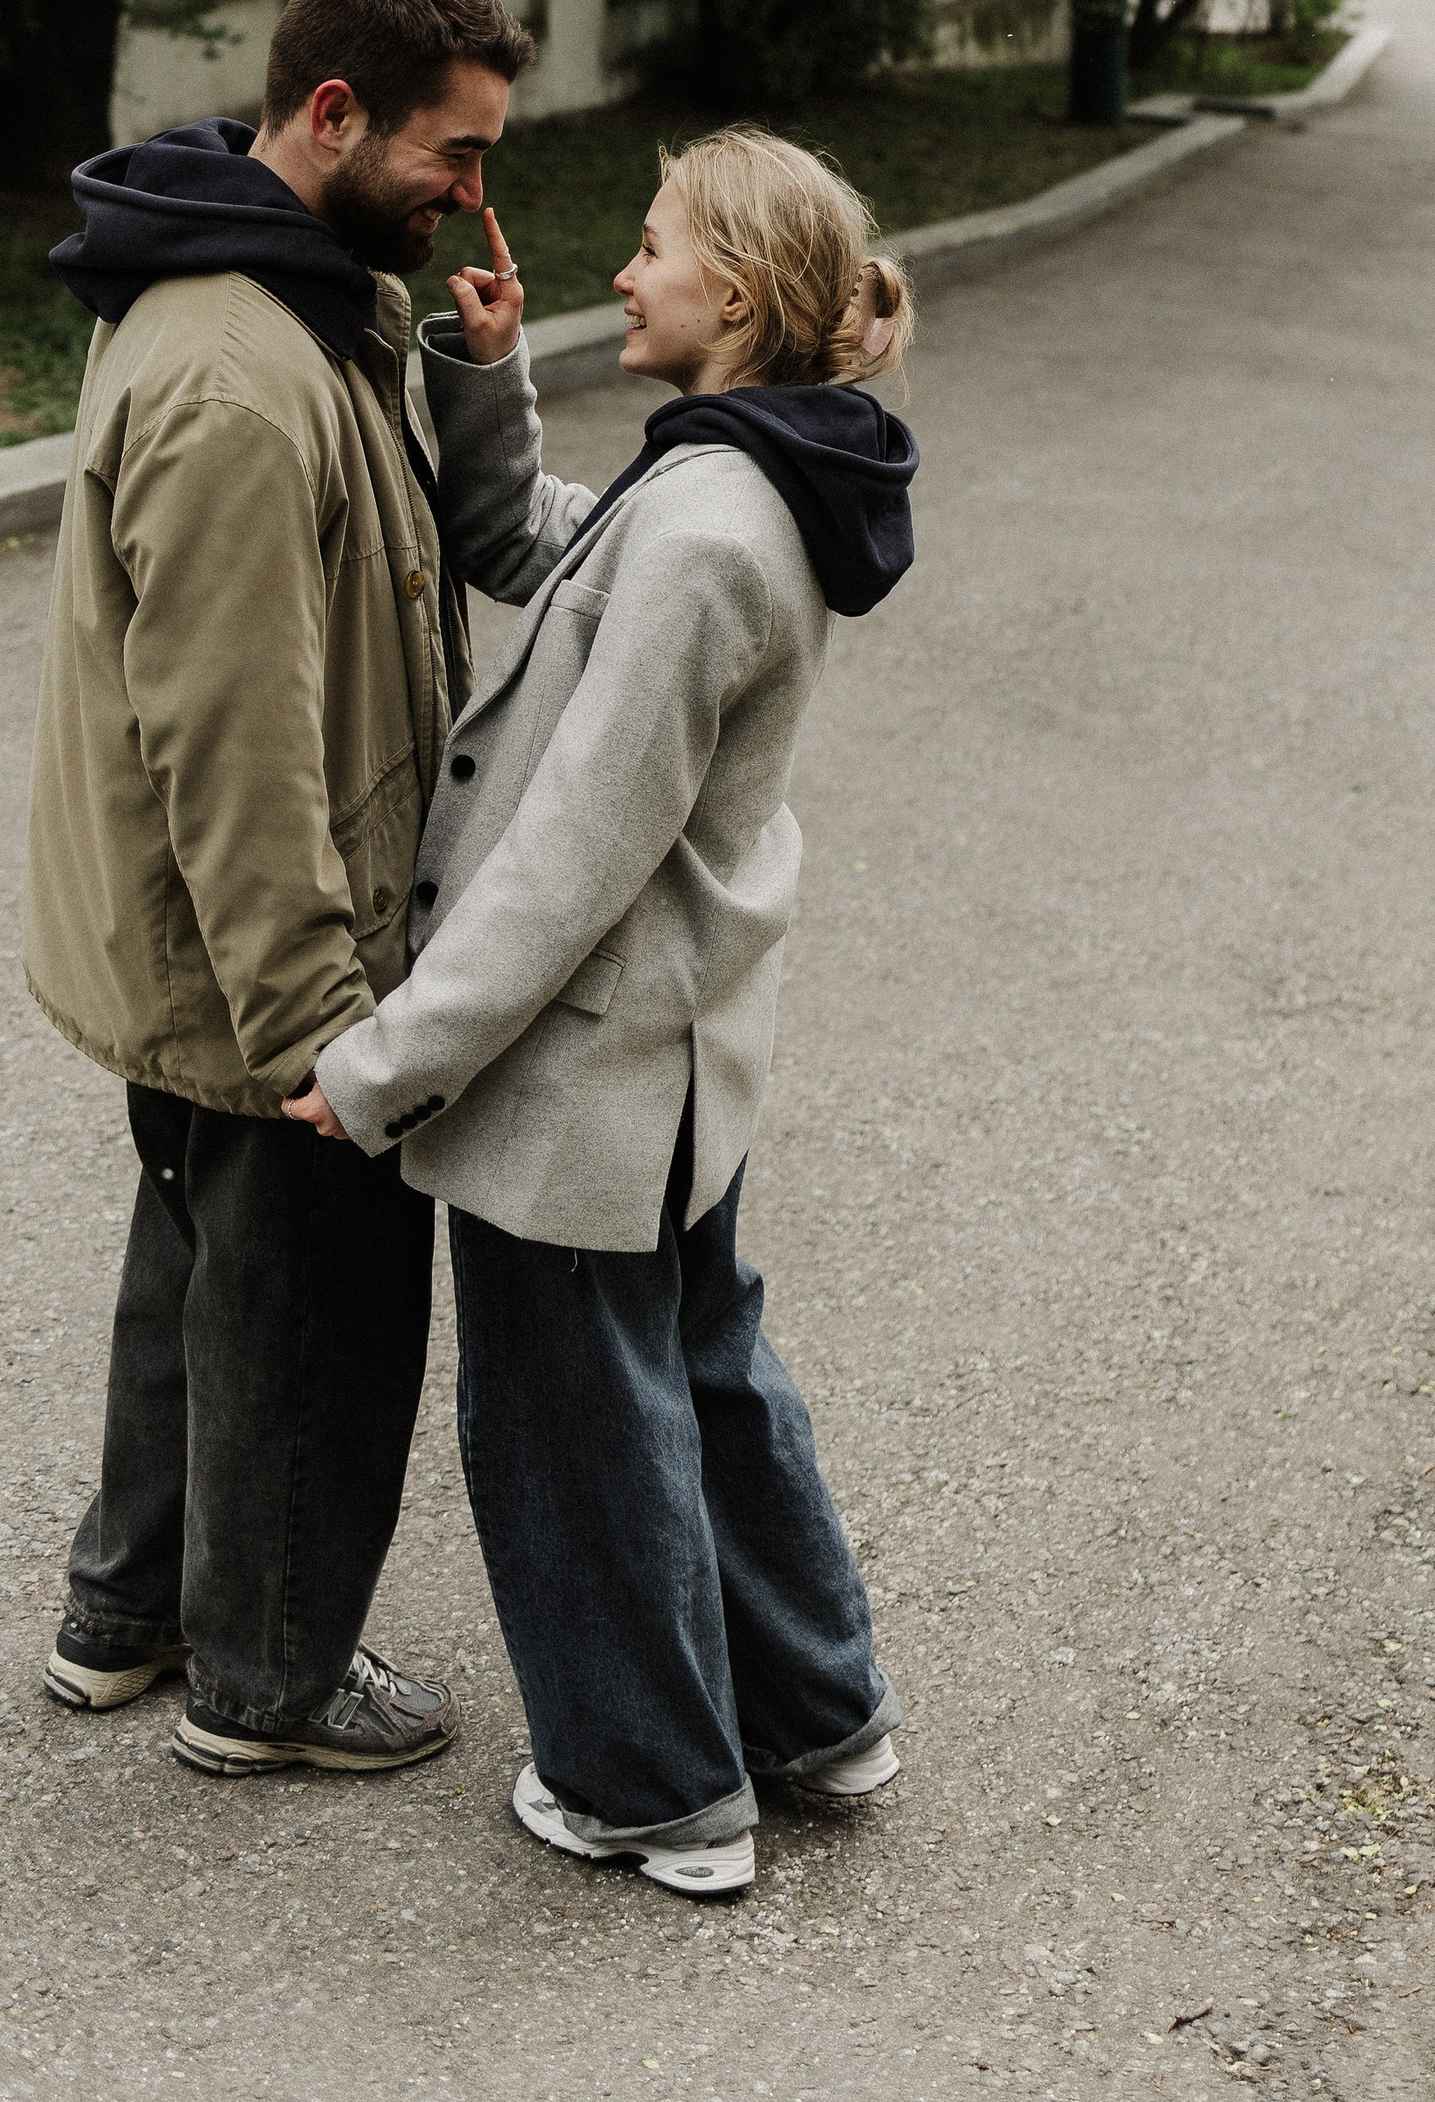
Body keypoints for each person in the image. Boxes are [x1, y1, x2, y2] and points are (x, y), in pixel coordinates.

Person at [289, 124, 918, 1899]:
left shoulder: (712, 528)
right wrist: (486, 380)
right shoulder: (744, 475)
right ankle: (817, 1714)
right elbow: (548, 553)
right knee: (706, 1380)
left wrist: (389, 1067)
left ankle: (651, 1789)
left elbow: (569, 860)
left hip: (587, 1078)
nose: (621, 271)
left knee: (573, 1427)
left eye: (652, 248)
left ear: (735, 291)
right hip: (678, 1066)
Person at [21, 0, 535, 1777]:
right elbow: (233, 742)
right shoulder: (243, 379)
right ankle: (270, 1683)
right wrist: (329, 1027)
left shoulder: (283, 288)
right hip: (267, 943)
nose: (477, 197)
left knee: (202, 1265)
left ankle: (127, 1615)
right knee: (313, 1299)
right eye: (452, 157)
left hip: (205, 943)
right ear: (334, 114)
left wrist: (469, 370)